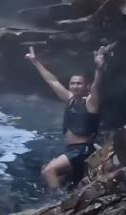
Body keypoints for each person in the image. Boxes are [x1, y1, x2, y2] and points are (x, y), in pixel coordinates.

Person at [25, 45, 107, 189]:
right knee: (57, 178)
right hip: (71, 151)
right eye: (72, 83)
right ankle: (61, 200)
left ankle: (55, 205)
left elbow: (96, 87)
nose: (75, 86)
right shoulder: (70, 99)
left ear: (86, 86)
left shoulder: (90, 102)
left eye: (79, 83)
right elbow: (52, 81)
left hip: (82, 151)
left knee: (50, 171)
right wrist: (35, 62)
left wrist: (99, 68)